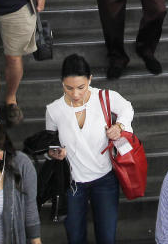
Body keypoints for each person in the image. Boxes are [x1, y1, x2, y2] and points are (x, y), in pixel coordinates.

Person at [45, 54, 133, 244]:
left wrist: (119, 126)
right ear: (61, 83)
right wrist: (54, 153)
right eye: (69, 88)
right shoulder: (54, 110)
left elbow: (127, 108)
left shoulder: (104, 97)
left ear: (90, 80)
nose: (75, 94)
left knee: (107, 237)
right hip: (73, 183)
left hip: (105, 179)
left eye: (81, 87)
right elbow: (49, 143)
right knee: (75, 238)